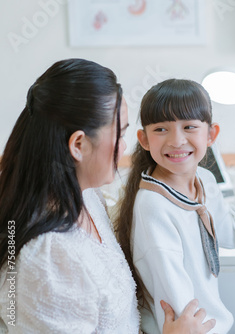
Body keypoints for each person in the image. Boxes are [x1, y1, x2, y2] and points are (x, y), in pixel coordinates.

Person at [0, 59, 215, 333]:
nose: (126, 148)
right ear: (78, 145)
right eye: (121, 134)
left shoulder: (87, 195)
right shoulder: (49, 260)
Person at [115, 79, 235, 334]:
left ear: (211, 134)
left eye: (189, 127)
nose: (177, 140)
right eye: (160, 129)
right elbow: (179, 309)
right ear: (143, 139)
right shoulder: (154, 207)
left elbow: (233, 233)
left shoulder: (204, 179)